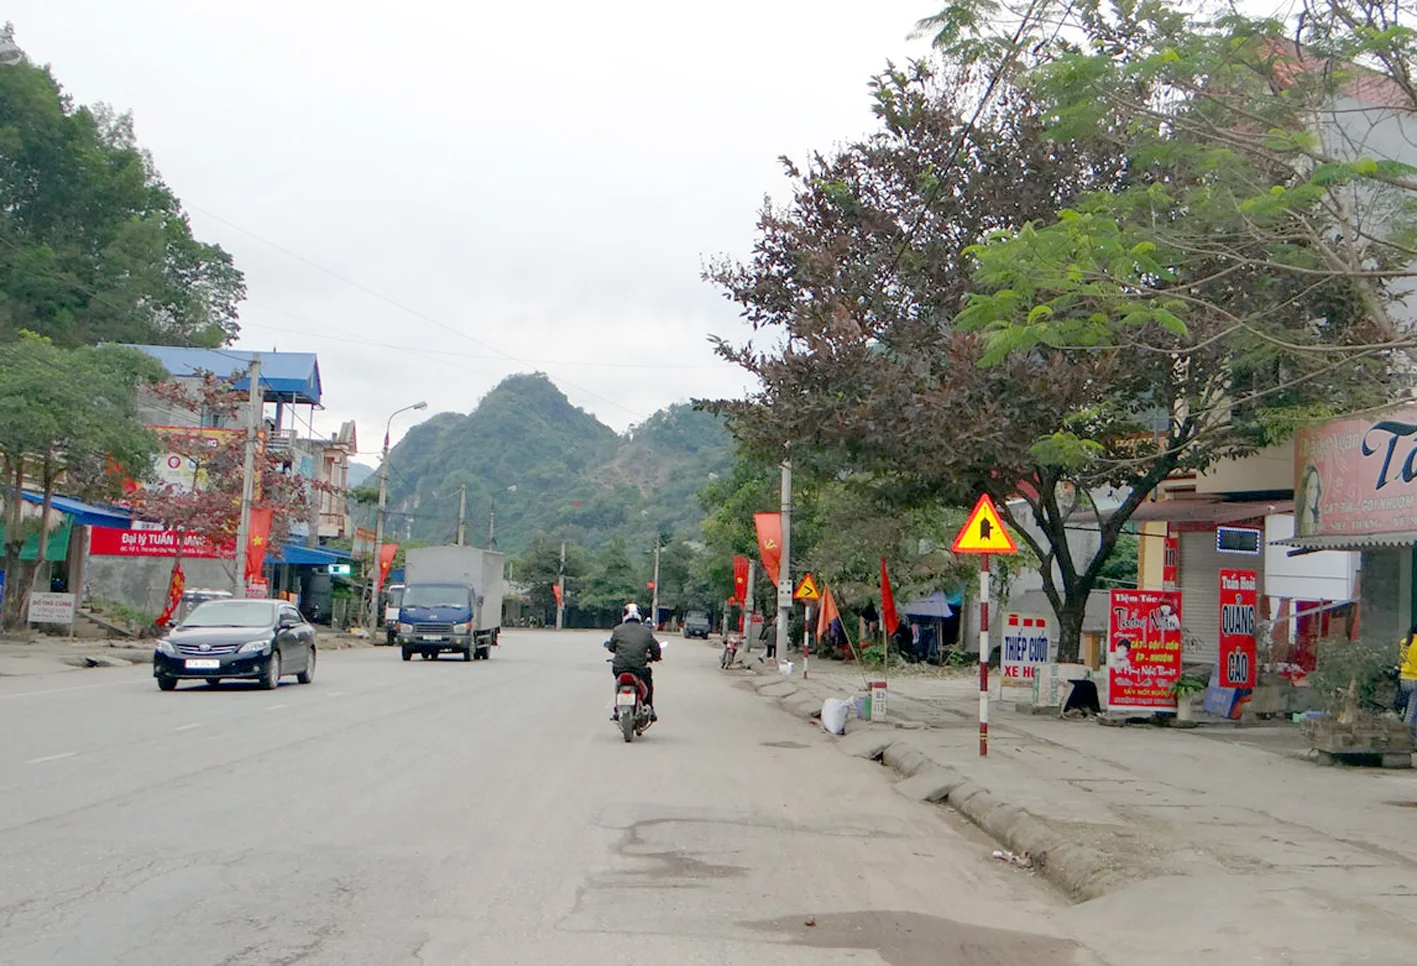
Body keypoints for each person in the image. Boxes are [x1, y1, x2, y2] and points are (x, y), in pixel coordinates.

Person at [606, 602, 661, 720]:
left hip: (619, 668)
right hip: (639, 668)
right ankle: (649, 706)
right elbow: (656, 649)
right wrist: (655, 657)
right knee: (648, 682)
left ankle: (617, 708)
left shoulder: (617, 630)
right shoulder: (646, 631)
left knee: (619, 683)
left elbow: (611, 647)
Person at [1400, 624, 1417, 744]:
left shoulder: (1405, 642)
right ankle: (1404, 737)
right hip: (1415, 680)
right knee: (1411, 713)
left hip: (1404, 679)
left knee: (1412, 710)